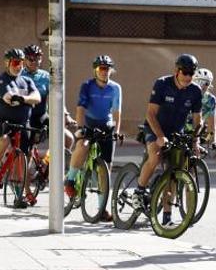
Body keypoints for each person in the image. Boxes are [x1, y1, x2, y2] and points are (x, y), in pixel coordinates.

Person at [132, 54, 203, 226]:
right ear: (177, 71)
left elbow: (197, 120)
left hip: (175, 133)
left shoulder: (195, 91)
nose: (188, 77)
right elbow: (150, 113)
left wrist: (196, 141)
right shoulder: (162, 84)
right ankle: (139, 191)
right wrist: (159, 136)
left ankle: (166, 216)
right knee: (155, 157)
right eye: (185, 72)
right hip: (154, 128)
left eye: (191, 73)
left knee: (172, 172)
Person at [64, 55, 122, 222]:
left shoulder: (116, 88)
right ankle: (71, 178)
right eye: (101, 69)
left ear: (111, 70)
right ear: (95, 70)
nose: (104, 72)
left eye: (107, 69)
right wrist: (81, 129)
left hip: (106, 125)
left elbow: (117, 111)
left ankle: (102, 208)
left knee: (106, 169)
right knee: (82, 145)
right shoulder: (87, 86)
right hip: (88, 123)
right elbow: (81, 108)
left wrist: (117, 131)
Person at [0, 48, 41, 208]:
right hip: (4, 121)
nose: (19, 66)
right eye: (16, 63)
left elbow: (37, 98)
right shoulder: (0, 80)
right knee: (2, 139)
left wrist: (22, 98)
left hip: (24, 123)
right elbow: (8, 98)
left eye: (21, 63)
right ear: (7, 63)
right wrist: (26, 99)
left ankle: (18, 195)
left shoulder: (27, 81)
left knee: (21, 158)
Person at [21, 44, 75, 150]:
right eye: (30, 59)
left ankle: (51, 165)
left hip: (42, 116)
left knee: (68, 138)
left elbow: (57, 99)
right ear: (24, 60)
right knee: (26, 152)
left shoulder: (46, 76)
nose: (34, 62)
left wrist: (66, 115)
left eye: (37, 58)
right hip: (25, 118)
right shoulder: (19, 75)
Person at [193, 67, 216, 151]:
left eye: (206, 83)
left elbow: (212, 125)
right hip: (180, 129)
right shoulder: (186, 93)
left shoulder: (210, 100)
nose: (203, 86)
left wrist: (214, 141)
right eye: (199, 82)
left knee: (196, 155)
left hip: (196, 131)